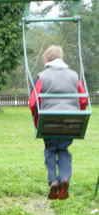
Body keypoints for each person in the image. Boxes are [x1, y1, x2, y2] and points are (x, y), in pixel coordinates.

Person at [29, 45, 88, 200]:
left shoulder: (42, 76)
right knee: (63, 150)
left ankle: (53, 181)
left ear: (47, 59)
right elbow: (83, 98)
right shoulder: (74, 76)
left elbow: (32, 102)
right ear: (61, 58)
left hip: (49, 122)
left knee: (50, 150)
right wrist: (77, 115)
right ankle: (65, 178)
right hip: (71, 123)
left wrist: (37, 121)